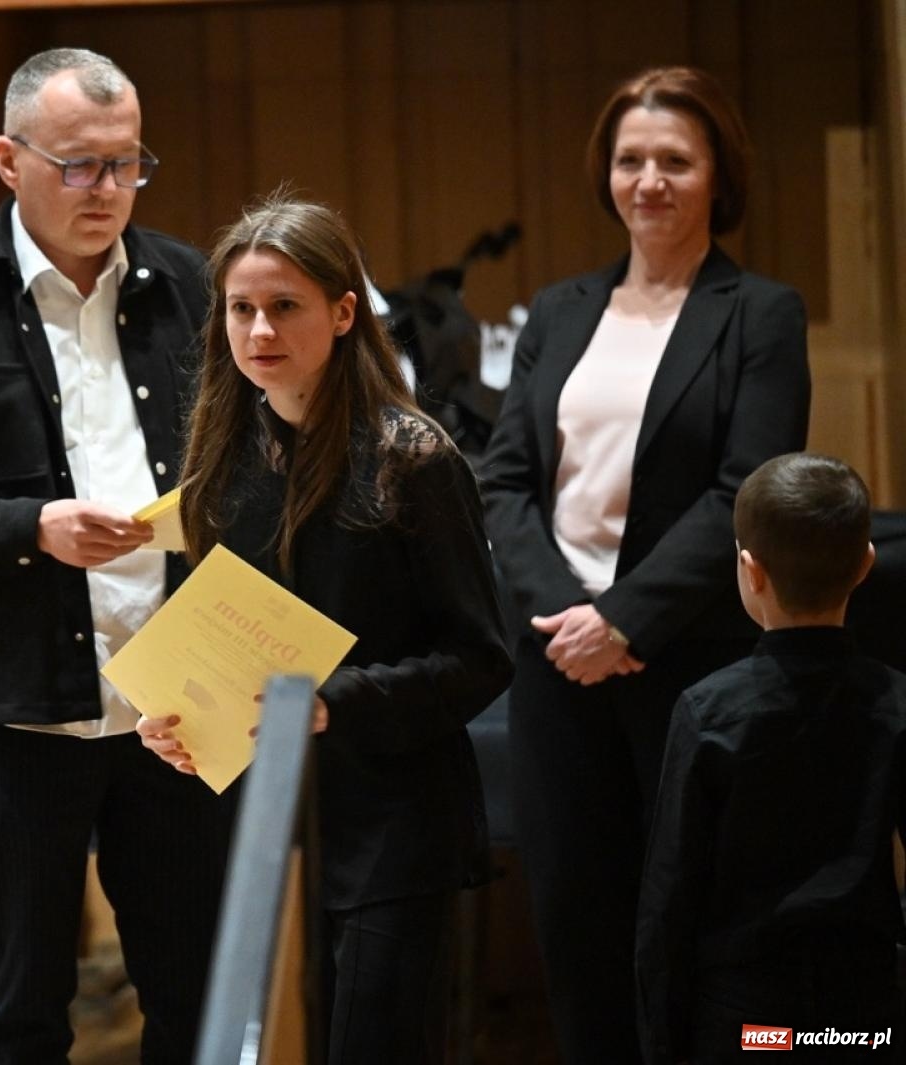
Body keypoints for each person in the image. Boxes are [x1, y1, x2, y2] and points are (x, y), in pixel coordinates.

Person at [0, 47, 234, 1065]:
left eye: (126, 163)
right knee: (22, 1007)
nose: (106, 190)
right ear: (9, 162)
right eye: (79, 165)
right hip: (19, 706)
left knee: (194, 995)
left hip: (178, 702)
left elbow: (258, 456)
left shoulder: (192, 286)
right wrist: (31, 529)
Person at [478, 66, 811, 1064]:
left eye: (675, 159)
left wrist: (622, 619)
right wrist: (564, 618)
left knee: (695, 919)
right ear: (606, 175)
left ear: (717, 175)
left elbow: (743, 490)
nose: (649, 180)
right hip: (552, 662)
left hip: (686, 663)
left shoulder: (759, 312)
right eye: (630, 160)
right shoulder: (558, 309)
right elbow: (502, 484)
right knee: (577, 927)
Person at [135, 194, 513, 1064]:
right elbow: (221, 644)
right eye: (240, 309)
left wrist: (334, 704)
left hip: (391, 819)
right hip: (267, 821)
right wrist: (182, 722)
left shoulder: (412, 458)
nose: (259, 329)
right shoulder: (224, 463)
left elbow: (481, 659)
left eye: (285, 306)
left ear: (344, 314)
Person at [636, 453, 906, 1065]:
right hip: (863, 1017)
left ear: (749, 570)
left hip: (747, 1022)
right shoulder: (896, 704)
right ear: (866, 565)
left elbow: (669, 899)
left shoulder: (707, 712)